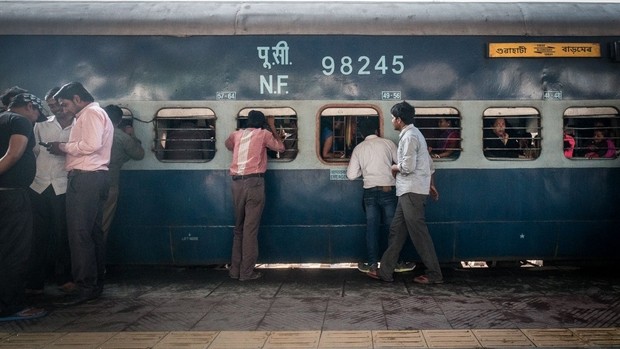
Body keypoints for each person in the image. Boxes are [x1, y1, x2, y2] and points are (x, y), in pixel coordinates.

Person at [48, 82, 114, 306]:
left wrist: (63, 147)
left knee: (79, 234)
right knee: (92, 233)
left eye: (64, 104)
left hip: (86, 178)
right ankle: (95, 284)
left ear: (77, 99)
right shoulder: (94, 113)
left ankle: (86, 285)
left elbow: (91, 144)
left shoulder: (90, 114)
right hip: (95, 178)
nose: (63, 109)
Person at [367, 101, 443, 285]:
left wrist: (393, 167)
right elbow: (430, 165)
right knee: (397, 231)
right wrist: (430, 184)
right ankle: (385, 271)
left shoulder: (409, 137)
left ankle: (435, 274)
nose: (392, 121)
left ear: (399, 120)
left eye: (393, 118)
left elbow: (407, 167)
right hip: (409, 191)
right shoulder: (416, 134)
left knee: (419, 234)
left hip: (411, 190)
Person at [0, 93, 48, 321]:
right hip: (11, 197)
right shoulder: (19, 121)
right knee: (14, 251)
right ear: (30, 106)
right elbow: (14, 154)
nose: (36, 119)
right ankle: (11, 307)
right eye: (37, 114)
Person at [26, 87, 75, 296]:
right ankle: (35, 280)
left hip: (63, 186)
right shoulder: (40, 127)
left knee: (63, 234)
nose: (55, 109)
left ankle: (63, 278)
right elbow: (33, 153)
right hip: (38, 186)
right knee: (37, 235)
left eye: (57, 104)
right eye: (51, 106)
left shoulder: (80, 127)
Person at [225, 110, 284, 281]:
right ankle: (246, 273)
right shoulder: (264, 134)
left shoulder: (236, 135)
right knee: (250, 230)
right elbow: (280, 147)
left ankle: (234, 271)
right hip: (254, 183)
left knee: (239, 229)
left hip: (236, 184)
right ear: (262, 124)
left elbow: (228, 145)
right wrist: (272, 126)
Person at [346, 119, 398, 273]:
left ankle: (373, 264)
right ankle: (394, 263)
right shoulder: (388, 144)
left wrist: (365, 170)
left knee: (372, 229)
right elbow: (401, 164)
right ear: (377, 131)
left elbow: (351, 175)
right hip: (388, 190)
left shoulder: (359, 148)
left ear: (361, 134)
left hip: (369, 192)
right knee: (393, 229)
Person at [102, 104, 144, 243]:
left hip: (85, 183)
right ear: (119, 120)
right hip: (110, 184)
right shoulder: (122, 137)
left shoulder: (92, 132)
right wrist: (132, 135)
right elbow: (139, 154)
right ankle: (96, 261)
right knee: (102, 225)